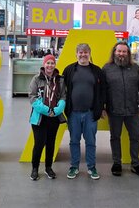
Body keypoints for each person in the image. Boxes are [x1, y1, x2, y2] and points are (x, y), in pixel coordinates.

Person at [103, 41, 139, 178]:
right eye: (119, 51)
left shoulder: (135, 68)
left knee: (135, 137)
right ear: (114, 52)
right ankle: (117, 163)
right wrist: (102, 107)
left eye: (124, 51)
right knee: (115, 137)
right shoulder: (107, 68)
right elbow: (102, 90)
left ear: (128, 53)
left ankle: (135, 164)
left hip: (133, 111)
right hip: (114, 111)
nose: (121, 54)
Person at [62, 43, 106, 180]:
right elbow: (63, 90)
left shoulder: (97, 71)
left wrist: (101, 108)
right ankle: (74, 166)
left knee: (91, 142)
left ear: (89, 53)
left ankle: (91, 167)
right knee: (74, 141)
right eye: (80, 52)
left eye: (86, 52)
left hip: (90, 113)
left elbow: (103, 91)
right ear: (76, 54)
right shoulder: (69, 70)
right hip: (73, 113)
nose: (83, 55)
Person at [28, 54, 66, 181]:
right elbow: (32, 97)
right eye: (48, 63)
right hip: (39, 118)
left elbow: (63, 97)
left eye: (52, 63)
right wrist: (46, 110)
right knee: (39, 144)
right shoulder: (36, 79)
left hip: (54, 117)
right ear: (44, 65)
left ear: (55, 65)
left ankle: (48, 167)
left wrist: (57, 110)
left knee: (50, 144)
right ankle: (35, 168)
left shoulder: (60, 80)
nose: (50, 65)